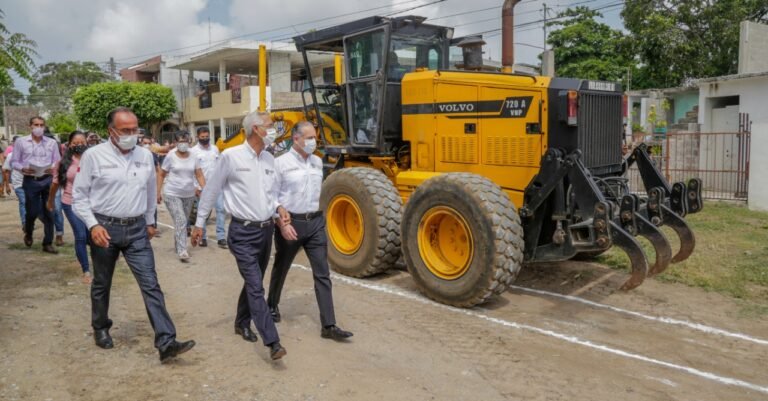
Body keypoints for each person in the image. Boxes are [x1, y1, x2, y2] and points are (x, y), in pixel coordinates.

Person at [72, 107, 195, 362]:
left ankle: (166, 341)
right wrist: (93, 226)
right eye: (125, 130)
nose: (132, 135)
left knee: (151, 284)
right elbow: (79, 197)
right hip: (104, 228)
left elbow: (150, 192)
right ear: (111, 131)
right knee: (102, 283)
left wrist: (151, 222)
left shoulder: (144, 155)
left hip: (138, 229)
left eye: (135, 130)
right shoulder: (94, 156)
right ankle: (101, 327)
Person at [191, 110, 289, 360]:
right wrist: (200, 223)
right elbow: (211, 190)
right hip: (242, 233)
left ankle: (241, 321)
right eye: (269, 126)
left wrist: (278, 209)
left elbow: (272, 193)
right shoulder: (230, 157)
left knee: (252, 281)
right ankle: (273, 341)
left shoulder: (269, 159)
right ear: (256, 129)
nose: (273, 129)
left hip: (266, 230)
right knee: (257, 286)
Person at [267, 122, 353, 340]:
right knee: (282, 266)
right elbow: (271, 195)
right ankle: (272, 305)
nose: (313, 141)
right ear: (296, 139)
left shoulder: (316, 161)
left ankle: (329, 325)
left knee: (323, 273)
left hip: (315, 222)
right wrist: (281, 221)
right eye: (309, 137)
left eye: (314, 137)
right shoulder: (280, 163)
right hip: (291, 223)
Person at [10, 116, 61, 254]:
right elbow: (14, 161)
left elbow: (58, 161)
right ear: (30, 126)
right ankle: (29, 233)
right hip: (30, 180)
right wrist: (22, 168)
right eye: (36, 125)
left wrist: (53, 168)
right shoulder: (21, 142)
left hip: (47, 179)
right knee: (32, 212)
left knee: (50, 211)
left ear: (44, 127)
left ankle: (47, 243)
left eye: (41, 125)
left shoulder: (51, 143)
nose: (39, 127)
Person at [47, 131, 92, 284]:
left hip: (92, 204)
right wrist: (51, 201)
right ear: (69, 144)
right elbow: (55, 184)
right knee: (80, 235)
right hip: (70, 203)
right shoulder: (63, 163)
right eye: (75, 142)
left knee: (90, 236)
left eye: (82, 142)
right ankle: (86, 270)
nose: (79, 145)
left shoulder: (93, 159)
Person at [157, 131, 206, 262]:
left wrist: (205, 190)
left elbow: (199, 174)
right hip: (172, 193)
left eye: (185, 141)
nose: (183, 144)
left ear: (189, 141)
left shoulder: (194, 156)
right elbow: (161, 174)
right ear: (175, 143)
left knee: (183, 222)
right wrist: (157, 192)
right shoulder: (170, 156)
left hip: (189, 194)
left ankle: (178, 244)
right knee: (181, 220)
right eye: (180, 141)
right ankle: (182, 250)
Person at [191, 126, 227, 248]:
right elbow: (192, 171)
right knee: (203, 213)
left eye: (207, 137)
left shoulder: (215, 149)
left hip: (217, 186)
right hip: (202, 188)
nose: (205, 139)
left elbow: (219, 166)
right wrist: (195, 187)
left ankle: (221, 237)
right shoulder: (193, 151)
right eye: (202, 137)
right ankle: (203, 237)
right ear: (197, 137)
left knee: (221, 210)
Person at [2, 137, 25, 231]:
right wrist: (7, 185)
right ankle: (25, 223)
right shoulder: (11, 156)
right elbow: (6, 170)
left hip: (32, 183)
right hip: (18, 184)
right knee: (23, 202)